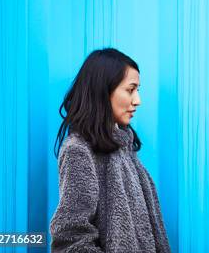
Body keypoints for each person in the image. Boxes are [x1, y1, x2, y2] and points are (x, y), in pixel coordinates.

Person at [50, 48, 170, 252]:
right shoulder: (78, 151)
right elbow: (70, 238)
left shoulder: (124, 148)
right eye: (130, 90)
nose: (137, 100)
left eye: (138, 90)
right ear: (103, 90)